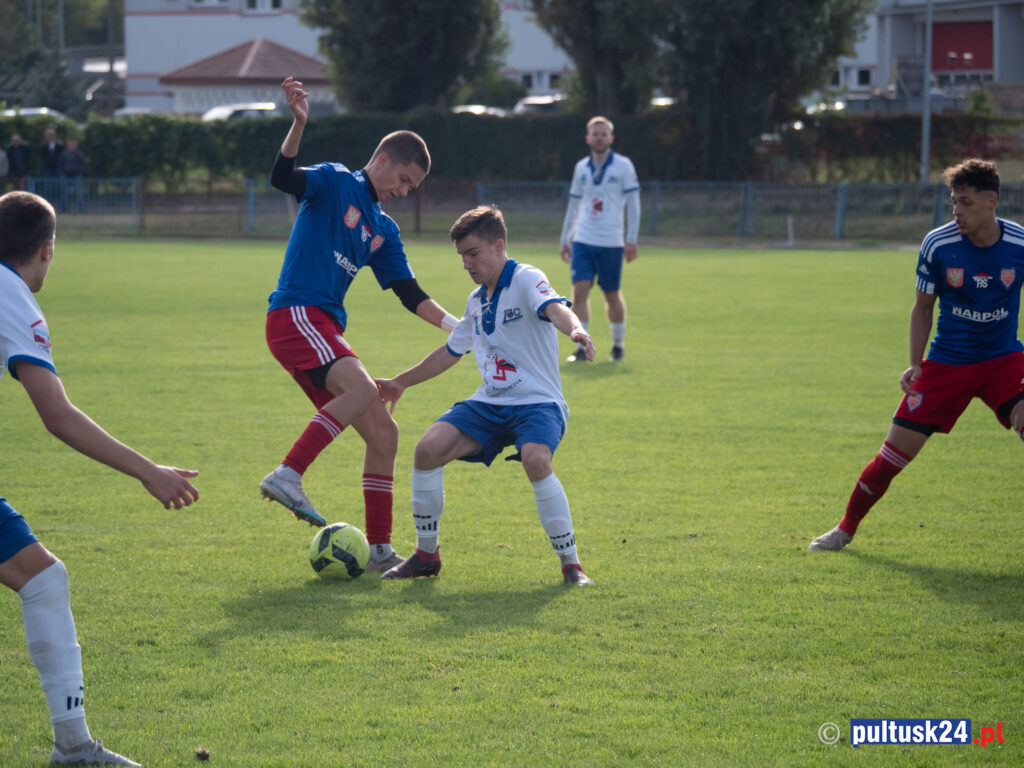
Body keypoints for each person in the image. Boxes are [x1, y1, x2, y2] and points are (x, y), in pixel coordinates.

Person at [0, 191, 200, 765]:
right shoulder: (12, 296)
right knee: (43, 580)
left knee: (42, 577)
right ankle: (74, 749)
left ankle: (74, 746)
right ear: (46, 248)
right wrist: (149, 472)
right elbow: (57, 415)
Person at [259, 76, 460, 573]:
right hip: (296, 314)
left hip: (322, 326)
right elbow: (283, 178)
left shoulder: (384, 229)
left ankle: (379, 551)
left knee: (385, 433)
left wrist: (458, 326)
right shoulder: (334, 181)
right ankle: (288, 474)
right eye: (404, 179)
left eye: (411, 188)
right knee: (364, 389)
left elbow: (409, 293)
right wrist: (298, 124)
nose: (403, 191)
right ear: (383, 159)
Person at [809, 158, 1024, 552]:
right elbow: (922, 308)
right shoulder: (938, 244)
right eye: (954, 202)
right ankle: (844, 528)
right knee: (892, 457)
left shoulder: (1019, 244)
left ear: (992, 201)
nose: (957, 210)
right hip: (947, 363)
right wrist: (914, 363)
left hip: (1003, 360)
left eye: (966, 203)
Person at [377, 205, 596, 585]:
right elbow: (450, 352)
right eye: (462, 256)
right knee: (427, 449)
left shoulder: (527, 278)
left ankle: (571, 566)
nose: (466, 263)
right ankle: (426, 555)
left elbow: (555, 308)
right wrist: (401, 382)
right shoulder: (476, 301)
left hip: (538, 402)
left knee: (536, 459)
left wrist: (576, 330)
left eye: (473, 253)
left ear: (498, 246)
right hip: (490, 402)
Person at [559, 116, 641, 363]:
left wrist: (631, 239)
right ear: (588, 138)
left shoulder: (623, 166)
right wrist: (566, 237)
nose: (599, 138)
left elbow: (634, 204)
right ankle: (581, 348)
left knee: (611, 295)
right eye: (595, 134)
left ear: (611, 138)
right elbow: (574, 205)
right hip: (583, 239)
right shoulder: (581, 167)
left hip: (611, 242)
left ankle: (618, 346)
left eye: (603, 134)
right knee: (579, 292)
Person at [57, 138, 87, 213]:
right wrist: (62, 174)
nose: (72, 146)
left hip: (76, 177)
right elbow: (60, 165)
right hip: (65, 176)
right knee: (64, 194)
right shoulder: (63, 154)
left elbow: (82, 165)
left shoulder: (79, 154)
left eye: (73, 145)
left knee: (79, 194)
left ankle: (81, 209)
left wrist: (79, 174)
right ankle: (64, 210)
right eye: (70, 145)